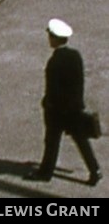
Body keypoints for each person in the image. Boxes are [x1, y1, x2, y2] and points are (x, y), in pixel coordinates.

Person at [26, 18, 101, 185]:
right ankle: (95, 170)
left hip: (58, 111)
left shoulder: (54, 61)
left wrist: (47, 104)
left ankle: (45, 173)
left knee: (51, 142)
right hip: (74, 108)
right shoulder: (75, 56)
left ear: (54, 38)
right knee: (81, 140)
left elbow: (53, 90)